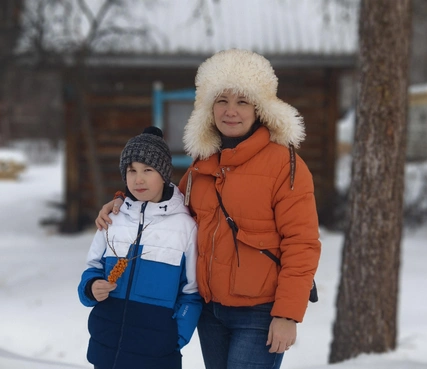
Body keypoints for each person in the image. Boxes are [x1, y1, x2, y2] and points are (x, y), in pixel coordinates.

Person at [95, 49, 321, 369]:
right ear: (209, 107)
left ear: (259, 108)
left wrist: (287, 314)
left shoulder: (285, 166)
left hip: (259, 312)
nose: (231, 111)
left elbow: (302, 244)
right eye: (221, 101)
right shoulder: (203, 164)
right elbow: (166, 201)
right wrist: (122, 200)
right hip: (210, 311)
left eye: (242, 101)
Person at [78, 126, 201, 369]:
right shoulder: (112, 218)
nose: (138, 179)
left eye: (148, 170)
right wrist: (91, 287)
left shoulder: (185, 227)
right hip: (106, 350)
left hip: (157, 356)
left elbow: (191, 293)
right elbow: (91, 268)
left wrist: (175, 338)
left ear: (164, 174)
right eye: (131, 170)